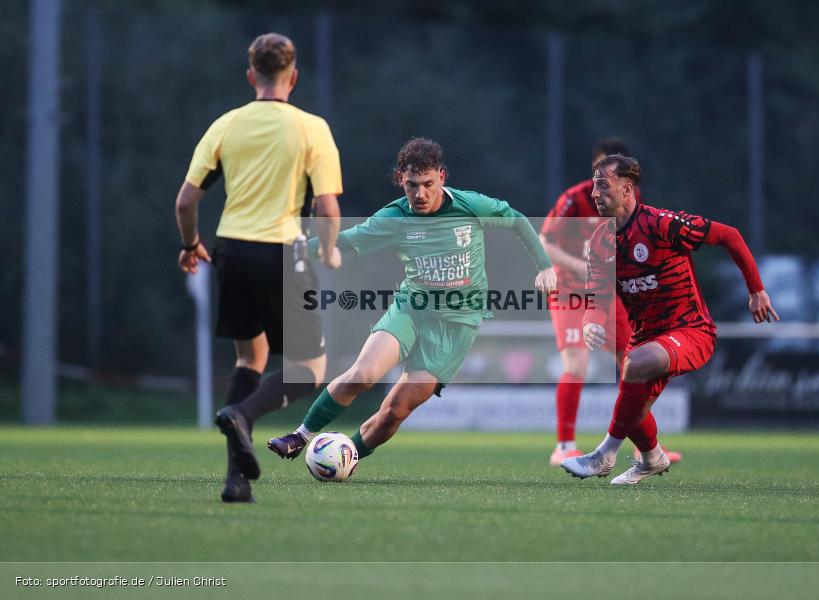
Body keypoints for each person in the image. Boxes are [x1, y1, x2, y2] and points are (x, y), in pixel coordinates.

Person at [267, 137, 557, 464]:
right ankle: (300, 436)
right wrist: (290, 252)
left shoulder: (471, 206)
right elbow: (345, 240)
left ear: (442, 177)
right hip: (412, 308)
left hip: (457, 324)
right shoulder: (395, 217)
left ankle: (347, 456)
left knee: (394, 412)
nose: (420, 194)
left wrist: (545, 266)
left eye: (428, 184)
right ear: (400, 180)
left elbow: (515, 218)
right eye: (412, 185)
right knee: (363, 373)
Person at [175, 33, 342, 502]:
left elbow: (186, 201)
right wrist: (329, 251)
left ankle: (236, 481)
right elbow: (327, 208)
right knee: (309, 369)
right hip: (283, 251)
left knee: (250, 359)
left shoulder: (226, 124)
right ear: (294, 77)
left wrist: (190, 245)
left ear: (251, 76)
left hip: (231, 249)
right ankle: (244, 414)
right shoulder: (311, 128)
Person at [562, 154, 778, 485]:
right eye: (593, 185)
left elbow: (730, 235)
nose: (594, 193)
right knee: (634, 411)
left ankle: (604, 455)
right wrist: (591, 320)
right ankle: (652, 459)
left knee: (634, 366)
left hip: (690, 330)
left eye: (603, 185)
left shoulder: (662, 225)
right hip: (645, 338)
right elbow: (597, 294)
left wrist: (757, 290)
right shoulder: (601, 242)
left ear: (627, 189)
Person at [540, 138, 681, 466]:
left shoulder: (631, 200)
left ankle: (645, 446)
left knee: (635, 363)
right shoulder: (574, 200)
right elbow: (545, 242)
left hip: (607, 293)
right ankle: (564, 446)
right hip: (571, 291)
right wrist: (582, 267)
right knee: (576, 365)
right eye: (601, 170)